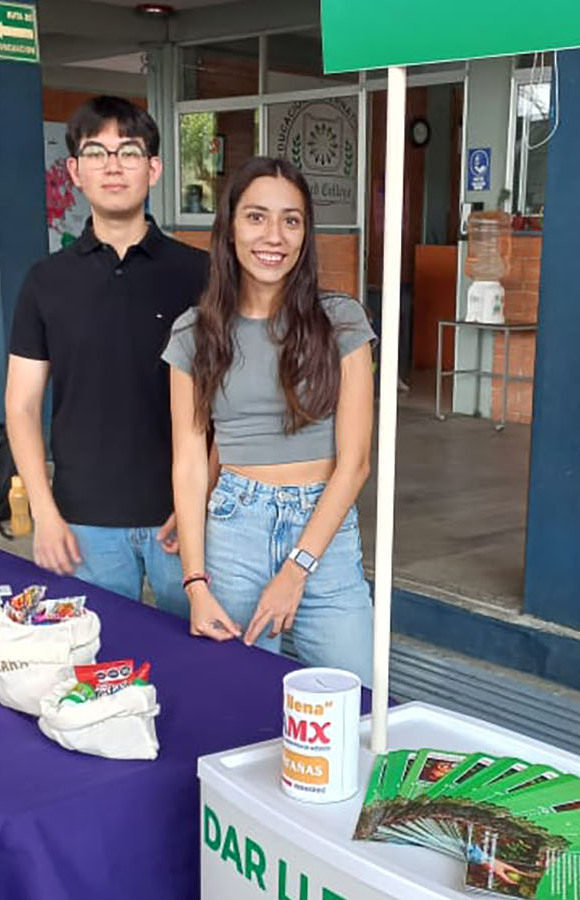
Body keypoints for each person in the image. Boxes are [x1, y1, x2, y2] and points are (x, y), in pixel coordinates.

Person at [164, 156, 376, 684]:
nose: (273, 235)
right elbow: (189, 463)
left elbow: (355, 464)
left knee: (356, 701)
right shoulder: (195, 333)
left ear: (305, 234)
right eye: (256, 217)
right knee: (239, 706)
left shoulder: (341, 319)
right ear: (230, 226)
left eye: (291, 219)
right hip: (236, 527)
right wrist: (195, 581)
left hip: (325, 532)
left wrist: (296, 570)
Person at [5, 96, 208, 617]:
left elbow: (229, 401)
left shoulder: (201, 275)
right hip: (83, 523)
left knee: (196, 665)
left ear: (154, 168)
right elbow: (21, 408)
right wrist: (46, 514)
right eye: (96, 152)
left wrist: (202, 501)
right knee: (94, 668)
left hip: (181, 517)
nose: (113, 166)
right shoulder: (46, 282)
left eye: (130, 152)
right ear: (74, 170)